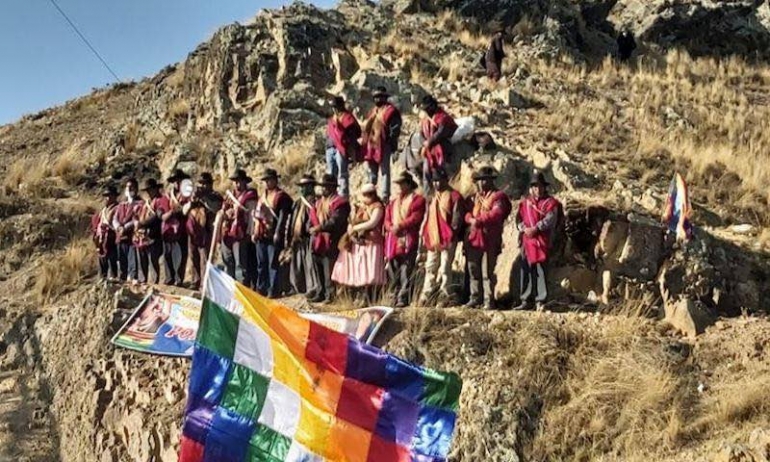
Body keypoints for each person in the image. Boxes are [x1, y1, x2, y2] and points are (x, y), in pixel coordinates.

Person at [464, 166, 512, 309]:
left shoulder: (498, 197)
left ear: (491, 181)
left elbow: (496, 214)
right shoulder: (476, 198)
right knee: (473, 269)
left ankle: (488, 300)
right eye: (480, 180)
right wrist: (470, 220)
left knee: (487, 271)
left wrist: (479, 220)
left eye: (485, 180)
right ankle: (475, 297)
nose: (481, 183)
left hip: (489, 239)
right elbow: (467, 213)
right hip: (474, 238)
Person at [515, 172, 562, 311]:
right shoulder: (525, 203)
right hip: (527, 240)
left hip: (542, 240)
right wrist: (524, 229)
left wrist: (536, 228)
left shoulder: (551, 203)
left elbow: (550, 219)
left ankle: (541, 300)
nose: (538, 189)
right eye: (535, 187)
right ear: (531, 189)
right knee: (526, 269)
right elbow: (519, 219)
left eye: (540, 186)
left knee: (541, 270)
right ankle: (525, 299)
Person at [331, 183, 386, 300]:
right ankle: (360, 294)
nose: (367, 197)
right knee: (361, 269)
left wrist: (356, 228)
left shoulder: (377, 207)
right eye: (365, 194)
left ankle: (371, 296)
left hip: (372, 242)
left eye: (369, 194)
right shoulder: (360, 208)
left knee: (371, 270)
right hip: (360, 242)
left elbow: (372, 222)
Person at [419, 169, 464, 306]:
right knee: (430, 267)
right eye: (434, 181)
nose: (437, 184)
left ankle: (445, 294)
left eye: (439, 181)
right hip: (433, 237)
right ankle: (427, 293)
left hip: (447, 238)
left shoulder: (455, 196)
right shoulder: (432, 198)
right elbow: (428, 217)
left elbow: (457, 219)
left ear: (446, 180)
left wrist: (452, 234)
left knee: (445, 268)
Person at [384, 172, 426, 308]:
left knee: (406, 269)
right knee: (393, 269)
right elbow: (387, 219)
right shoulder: (393, 202)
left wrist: (400, 226)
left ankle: (404, 296)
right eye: (398, 184)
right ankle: (394, 295)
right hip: (393, 239)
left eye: (402, 183)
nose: (399, 186)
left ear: (408, 184)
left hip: (408, 238)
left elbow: (415, 217)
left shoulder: (418, 200)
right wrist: (391, 227)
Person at [308, 174, 351, 303]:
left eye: (326, 186)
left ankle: (330, 295)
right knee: (319, 267)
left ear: (332, 187)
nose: (323, 189)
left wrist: (320, 228)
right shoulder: (318, 203)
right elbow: (312, 218)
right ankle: (321, 292)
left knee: (329, 269)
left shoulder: (340, 203)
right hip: (318, 240)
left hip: (332, 240)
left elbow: (336, 221)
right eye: (322, 187)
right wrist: (311, 228)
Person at [252, 168, 293, 298]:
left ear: (275, 180)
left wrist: (278, 233)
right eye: (266, 180)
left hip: (273, 234)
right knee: (261, 264)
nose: (267, 183)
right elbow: (258, 216)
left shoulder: (281, 197)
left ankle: (273, 290)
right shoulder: (262, 197)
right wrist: (255, 231)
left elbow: (282, 216)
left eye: (270, 180)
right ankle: (261, 288)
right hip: (261, 234)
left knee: (273, 264)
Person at [361, 86, 402, 203]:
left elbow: (395, 130)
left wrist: (391, 145)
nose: (377, 99)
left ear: (385, 98)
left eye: (380, 97)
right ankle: (370, 194)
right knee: (372, 173)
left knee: (384, 172)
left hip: (384, 145)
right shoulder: (373, 111)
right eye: (376, 97)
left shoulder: (391, 111)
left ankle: (384, 197)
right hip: (371, 146)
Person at [221, 169, 259, 287]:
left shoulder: (249, 197)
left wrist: (250, 233)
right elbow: (223, 211)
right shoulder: (229, 196)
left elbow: (252, 216)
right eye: (235, 181)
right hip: (227, 232)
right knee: (228, 261)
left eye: (240, 181)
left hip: (240, 234)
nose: (237, 184)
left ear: (244, 183)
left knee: (240, 264)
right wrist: (226, 213)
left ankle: (241, 288)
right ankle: (229, 287)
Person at [283, 174, 320, 296]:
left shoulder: (316, 201)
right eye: (302, 186)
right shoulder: (297, 203)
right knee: (297, 264)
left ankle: (312, 288)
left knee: (310, 265)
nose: (303, 189)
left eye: (306, 186)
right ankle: (297, 287)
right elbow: (292, 219)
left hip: (309, 237)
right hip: (297, 237)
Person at [186, 172, 223, 290]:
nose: (203, 186)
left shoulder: (215, 196)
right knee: (193, 256)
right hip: (193, 231)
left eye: (205, 183)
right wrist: (192, 201)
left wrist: (204, 198)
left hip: (206, 231)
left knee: (205, 259)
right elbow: (184, 210)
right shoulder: (194, 196)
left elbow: (215, 208)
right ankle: (195, 281)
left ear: (210, 184)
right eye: (201, 183)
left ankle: (205, 283)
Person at [155, 169, 191, 286]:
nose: (177, 183)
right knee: (168, 255)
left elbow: (186, 210)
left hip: (181, 230)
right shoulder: (166, 197)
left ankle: (179, 278)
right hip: (167, 230)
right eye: (175, 181)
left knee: (181, 255)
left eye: (179, 181)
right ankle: (169, 278)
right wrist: (169, 213)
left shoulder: (187, 196)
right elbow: (160, 211)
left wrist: (179, 210)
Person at [326, 96, 361, 197]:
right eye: (333, 107)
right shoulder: (332, 119)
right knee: (331, 174)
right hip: (330, 148)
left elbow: (353, 135)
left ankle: (343, 196)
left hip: (341, 149)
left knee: (342, 174)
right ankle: (331, 195)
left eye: (335, 106)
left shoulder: (347, 118)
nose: (334, 109)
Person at [420, 95, 457, 188]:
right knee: (426, 171)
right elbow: (421, 133)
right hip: (429, 150)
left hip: (442, 147)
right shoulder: (425, 119)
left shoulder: (442, 117)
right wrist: (425, 144)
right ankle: (428, 194)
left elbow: (441, 132)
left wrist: (430, 141)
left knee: (442, 171)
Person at [112, 178, 143, 282]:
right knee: (121, 262)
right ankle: (122, 279)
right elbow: (115, 218)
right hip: (120, 237)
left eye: (131, 187)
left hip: (131, 237)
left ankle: (133, 279)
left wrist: (125, 227)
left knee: (132, 262)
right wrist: (118, 227)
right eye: (127, 187)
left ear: (136, 189)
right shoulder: (121, 205)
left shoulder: (140, 203)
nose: (129, 189)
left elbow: (137, 218)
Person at [134, 179, 164, 284]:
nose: (149, 192)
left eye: (150, 190)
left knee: (153, 259)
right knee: (143, 259)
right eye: (147, 191)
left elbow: (157, 216)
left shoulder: (160, 200)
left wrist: (142, 223)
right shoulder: (146, 203)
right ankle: (143, 279)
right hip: (144, 235)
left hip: (155, 234)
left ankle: (155, 280)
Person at [91, 185, 119, 280]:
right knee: (102, 263)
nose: (108, 198)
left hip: (112, 239)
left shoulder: (118, 208)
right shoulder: (103, 210)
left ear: (115, 196)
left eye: (110, 195)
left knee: (112, 262)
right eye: (106, 196)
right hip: (102, 240)